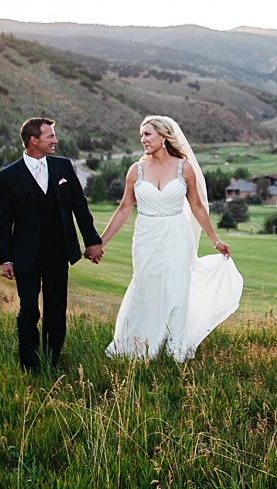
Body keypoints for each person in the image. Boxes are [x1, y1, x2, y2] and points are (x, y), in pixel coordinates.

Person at [98, 115, 243, 362]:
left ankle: (174, 348)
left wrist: (215, 241)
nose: (143, 139)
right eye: (141, 135)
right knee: (144, 289)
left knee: (175, 290)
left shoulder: (183, 168)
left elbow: (197, 207)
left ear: (163, 137)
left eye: (148, 134)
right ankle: (136, 345)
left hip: (177, 234)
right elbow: (124, 208)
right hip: (146, 236)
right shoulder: (136, 170)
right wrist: (100, 242)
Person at [0, 117, 104, 372]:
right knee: (28, 310)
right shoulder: (8, 176)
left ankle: (52, 361)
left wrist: (92, 242)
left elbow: (80, 205)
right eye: (50, 136)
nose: (55, 141)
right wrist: (6, 259)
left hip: (58, 253)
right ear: (34, 140)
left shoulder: (63, 167)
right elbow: (4, 221)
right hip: (25, 255)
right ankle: (29, 364)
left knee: (56, 309)